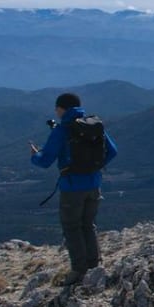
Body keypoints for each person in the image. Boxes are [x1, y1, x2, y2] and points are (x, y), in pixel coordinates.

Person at [29, 92, 118, 285]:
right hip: (94, 185)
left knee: (72, 228)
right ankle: (94, 266)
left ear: (62, 109)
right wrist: (94, 168)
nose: (56, 111)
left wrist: (35, 155)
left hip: (72, 188)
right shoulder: (93, 125)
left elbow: (45, 161)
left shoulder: (62, 131)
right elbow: (112, 150)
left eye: (57, 108)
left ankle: (78, 270)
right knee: (88, 225)